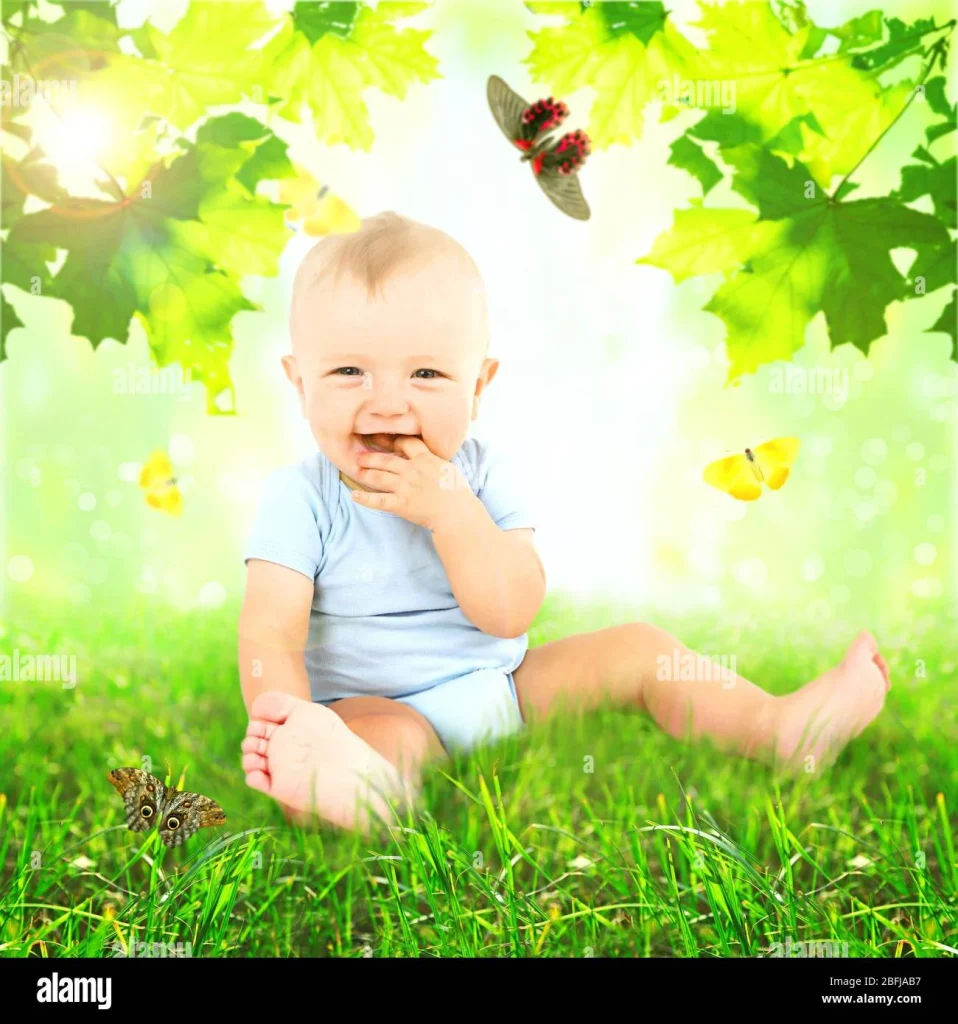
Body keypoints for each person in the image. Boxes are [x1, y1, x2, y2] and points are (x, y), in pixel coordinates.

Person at [239, 211, 891, 834]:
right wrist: (291, 720)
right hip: (371, 706)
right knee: (393, 742)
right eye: (348, 371)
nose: (387, 400)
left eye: (427, 373)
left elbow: (510, 612)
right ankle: (350, 786)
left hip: (505, 690)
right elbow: (270, 631)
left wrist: (452, 510)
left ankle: (776, 730)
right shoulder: (302, 499)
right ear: (299, 385)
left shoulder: (485, 478)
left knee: (640, 649)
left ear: (478, 386)